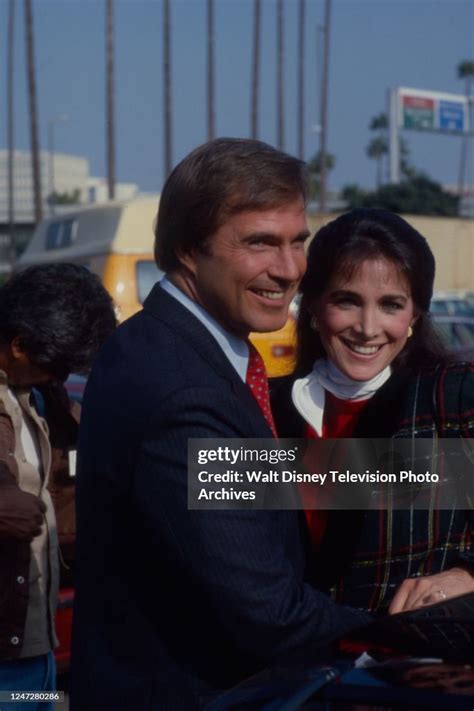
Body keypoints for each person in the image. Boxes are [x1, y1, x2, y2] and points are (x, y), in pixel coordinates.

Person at [71, 138, 371, 711]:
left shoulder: (169, 348)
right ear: (188, 249)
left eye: (297, 242)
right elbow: (271, 613)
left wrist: (440, 476)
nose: (288, 270)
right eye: (260, 243)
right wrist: (406, 629)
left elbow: (273, 477)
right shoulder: (186, 391)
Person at [272, 208, 474, 615]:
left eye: (390, 305)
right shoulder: (264, 405)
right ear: (311, 305)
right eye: (347, 301)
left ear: (414, 314)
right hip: (291, 668)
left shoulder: (454, 395)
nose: (367, 327)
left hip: (416, 667)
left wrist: (468, 575)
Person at [0, 263, 116, 709]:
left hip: (40, 650)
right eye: (58, 365)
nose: (61, 376)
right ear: (19, 346)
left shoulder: (44, 398)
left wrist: (335, 476)